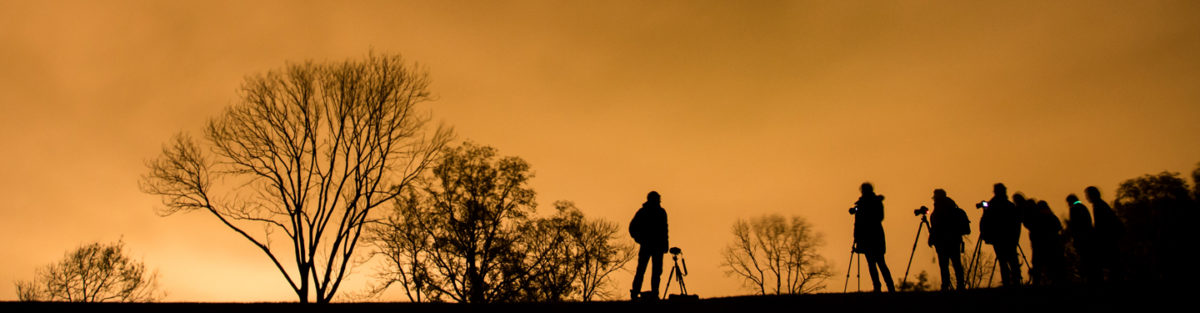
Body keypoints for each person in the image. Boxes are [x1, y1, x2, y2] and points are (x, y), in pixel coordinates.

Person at [852, 182, 895, 292]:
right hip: (870, 236)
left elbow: (879, 217)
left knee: (879, 263)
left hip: (872, 236)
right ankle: (879, 286)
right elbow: (858, 222)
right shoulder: (865, 204)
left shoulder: (873, 203)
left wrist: (857, 236)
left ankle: (888, 286)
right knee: (873, 263)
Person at [980, 183, 1022, 287]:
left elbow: (985, 221)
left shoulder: (992, 206)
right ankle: (1016, 282)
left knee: (1003, 261)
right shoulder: (1010, 205)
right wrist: (1016, 238)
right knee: (1012, 261)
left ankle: (1007, 282)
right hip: (1009, 238)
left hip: (998, 239)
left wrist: (986, 236)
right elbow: (1017, 223)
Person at [629, 191, 668, 300]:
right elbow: (632, 228)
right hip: (647, 246)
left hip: (658, 247)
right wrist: (640, 239)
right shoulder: (643, 212)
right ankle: (635, 292)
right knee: (641, 270)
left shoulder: (661, 212)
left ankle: (654, 293)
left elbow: (665, 230)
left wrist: (665, 245)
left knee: (656, 272)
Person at [927, 189, 969, 290]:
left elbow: (936, 226)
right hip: (954, 240)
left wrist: (932, 238)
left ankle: (945, 285)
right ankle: (960, 285)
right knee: (956, 263)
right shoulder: (952, 207)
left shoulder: (939, 210)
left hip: (943, 242)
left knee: (944, 265)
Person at [1085, 186, 1123, 282]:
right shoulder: (1101, 205)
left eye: (1087, 195)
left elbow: (1101, 225)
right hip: (1109, 238)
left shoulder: (1098, 206)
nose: (1086, 197)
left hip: (1107, 239)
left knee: (1108, 263)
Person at [1025, 200, 1066, 285]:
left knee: (1040, 266)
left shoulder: (1038, 218)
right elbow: (1058, 227)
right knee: (1050, 266)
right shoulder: (1051, 217)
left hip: (1042, 246)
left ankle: (1039, 283)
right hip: (1050, 246)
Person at [1066, 193, 1097, 284]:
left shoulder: (1074, 209)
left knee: (1085, 259)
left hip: (1081, 238)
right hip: (1089, 237)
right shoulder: (1083, 207)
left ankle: (1088, 279)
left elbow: (1074, 226)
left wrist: (1075, 237)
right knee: (1090, 259)